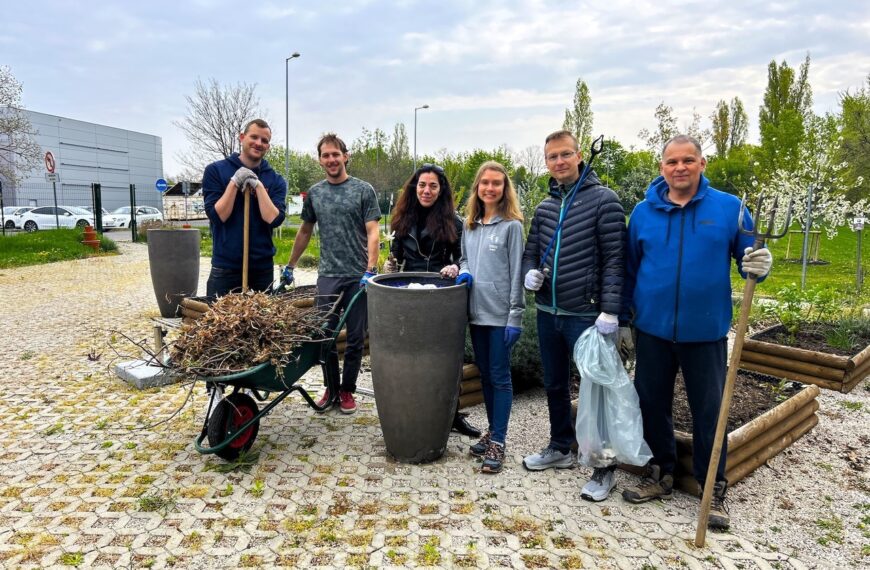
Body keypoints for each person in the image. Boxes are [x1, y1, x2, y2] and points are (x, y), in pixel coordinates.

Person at [620, 134, 773, 530]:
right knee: (652, 404)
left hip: (704, 332)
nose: (680, 168)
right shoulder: (642, 212)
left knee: (710, 411)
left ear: (702, 164)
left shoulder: (730, 210)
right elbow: (630, 269)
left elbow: (749, 259)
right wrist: (624, 317)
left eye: (688, 160)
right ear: (662, 168)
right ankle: (661, 472)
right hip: (652, 329)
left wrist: (760, 263)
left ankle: (711, 487)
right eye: (672, 162)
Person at [520, 129, 626, 502]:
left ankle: (604, 466)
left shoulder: (604, 201)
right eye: (553, 157)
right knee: (554, 384)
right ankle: (561, 447)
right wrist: (528, 275)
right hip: (549, 311)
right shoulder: (545, 208)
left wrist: (611, 309)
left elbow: (616, 259)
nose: (560, 162)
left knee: (598, 391)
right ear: (546, 161)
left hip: (587, 314)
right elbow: (531, 252)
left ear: (579, 155)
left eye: (566, 154)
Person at [284, 133, 381, 414]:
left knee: (355, 337)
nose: (331, 160)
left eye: (335, 154)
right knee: (324, 334)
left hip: (357, 276)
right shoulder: (315, 193)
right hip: (328, 274)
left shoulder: (363, 190)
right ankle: (331, 387)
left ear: (345, 156)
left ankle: (348, 390)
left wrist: (370, 269)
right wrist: (290, 266)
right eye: (325, 156)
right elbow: (304, 230)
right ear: (320, 160)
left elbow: (373, 230)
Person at [383, 163, 481, 438]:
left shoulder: (455, 222)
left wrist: (456, 268)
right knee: (413, 356)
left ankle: (452, 415)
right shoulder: (401, 219)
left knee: (447, 358)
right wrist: (389, 269)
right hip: (410, 297)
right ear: (415, 188)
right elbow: (396, 257)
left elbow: (464, 259)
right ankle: (414, 409)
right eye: (422, 185)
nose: (427, 191)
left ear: (441, 190)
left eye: (433, 186)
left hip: (443, 297)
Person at [457, 161, 525, 474]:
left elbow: (516, 274)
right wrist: (465, 272)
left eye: (496, 183)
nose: (490, 188)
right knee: (485, 374)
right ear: (478, 188)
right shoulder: (469, 225)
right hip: (476, 313)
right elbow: (464, 258)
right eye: (485, 183)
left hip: (500, 316)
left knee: (500, 377)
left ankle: (499, 439)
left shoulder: (512, 226)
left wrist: (516, 315)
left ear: (504, 188)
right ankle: (491, 431)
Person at [202, 119, 287, 297]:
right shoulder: (216, 171)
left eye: (264, 141)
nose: (259, 143)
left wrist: (258, 186)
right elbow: (218, 216)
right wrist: (234, 182)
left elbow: (274, 219)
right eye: (254, 137)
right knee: (221, 323)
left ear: (268, 146)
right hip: (225, 267)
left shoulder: (275, 179)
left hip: (261, 269)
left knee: (262, 323)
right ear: (242, 137)